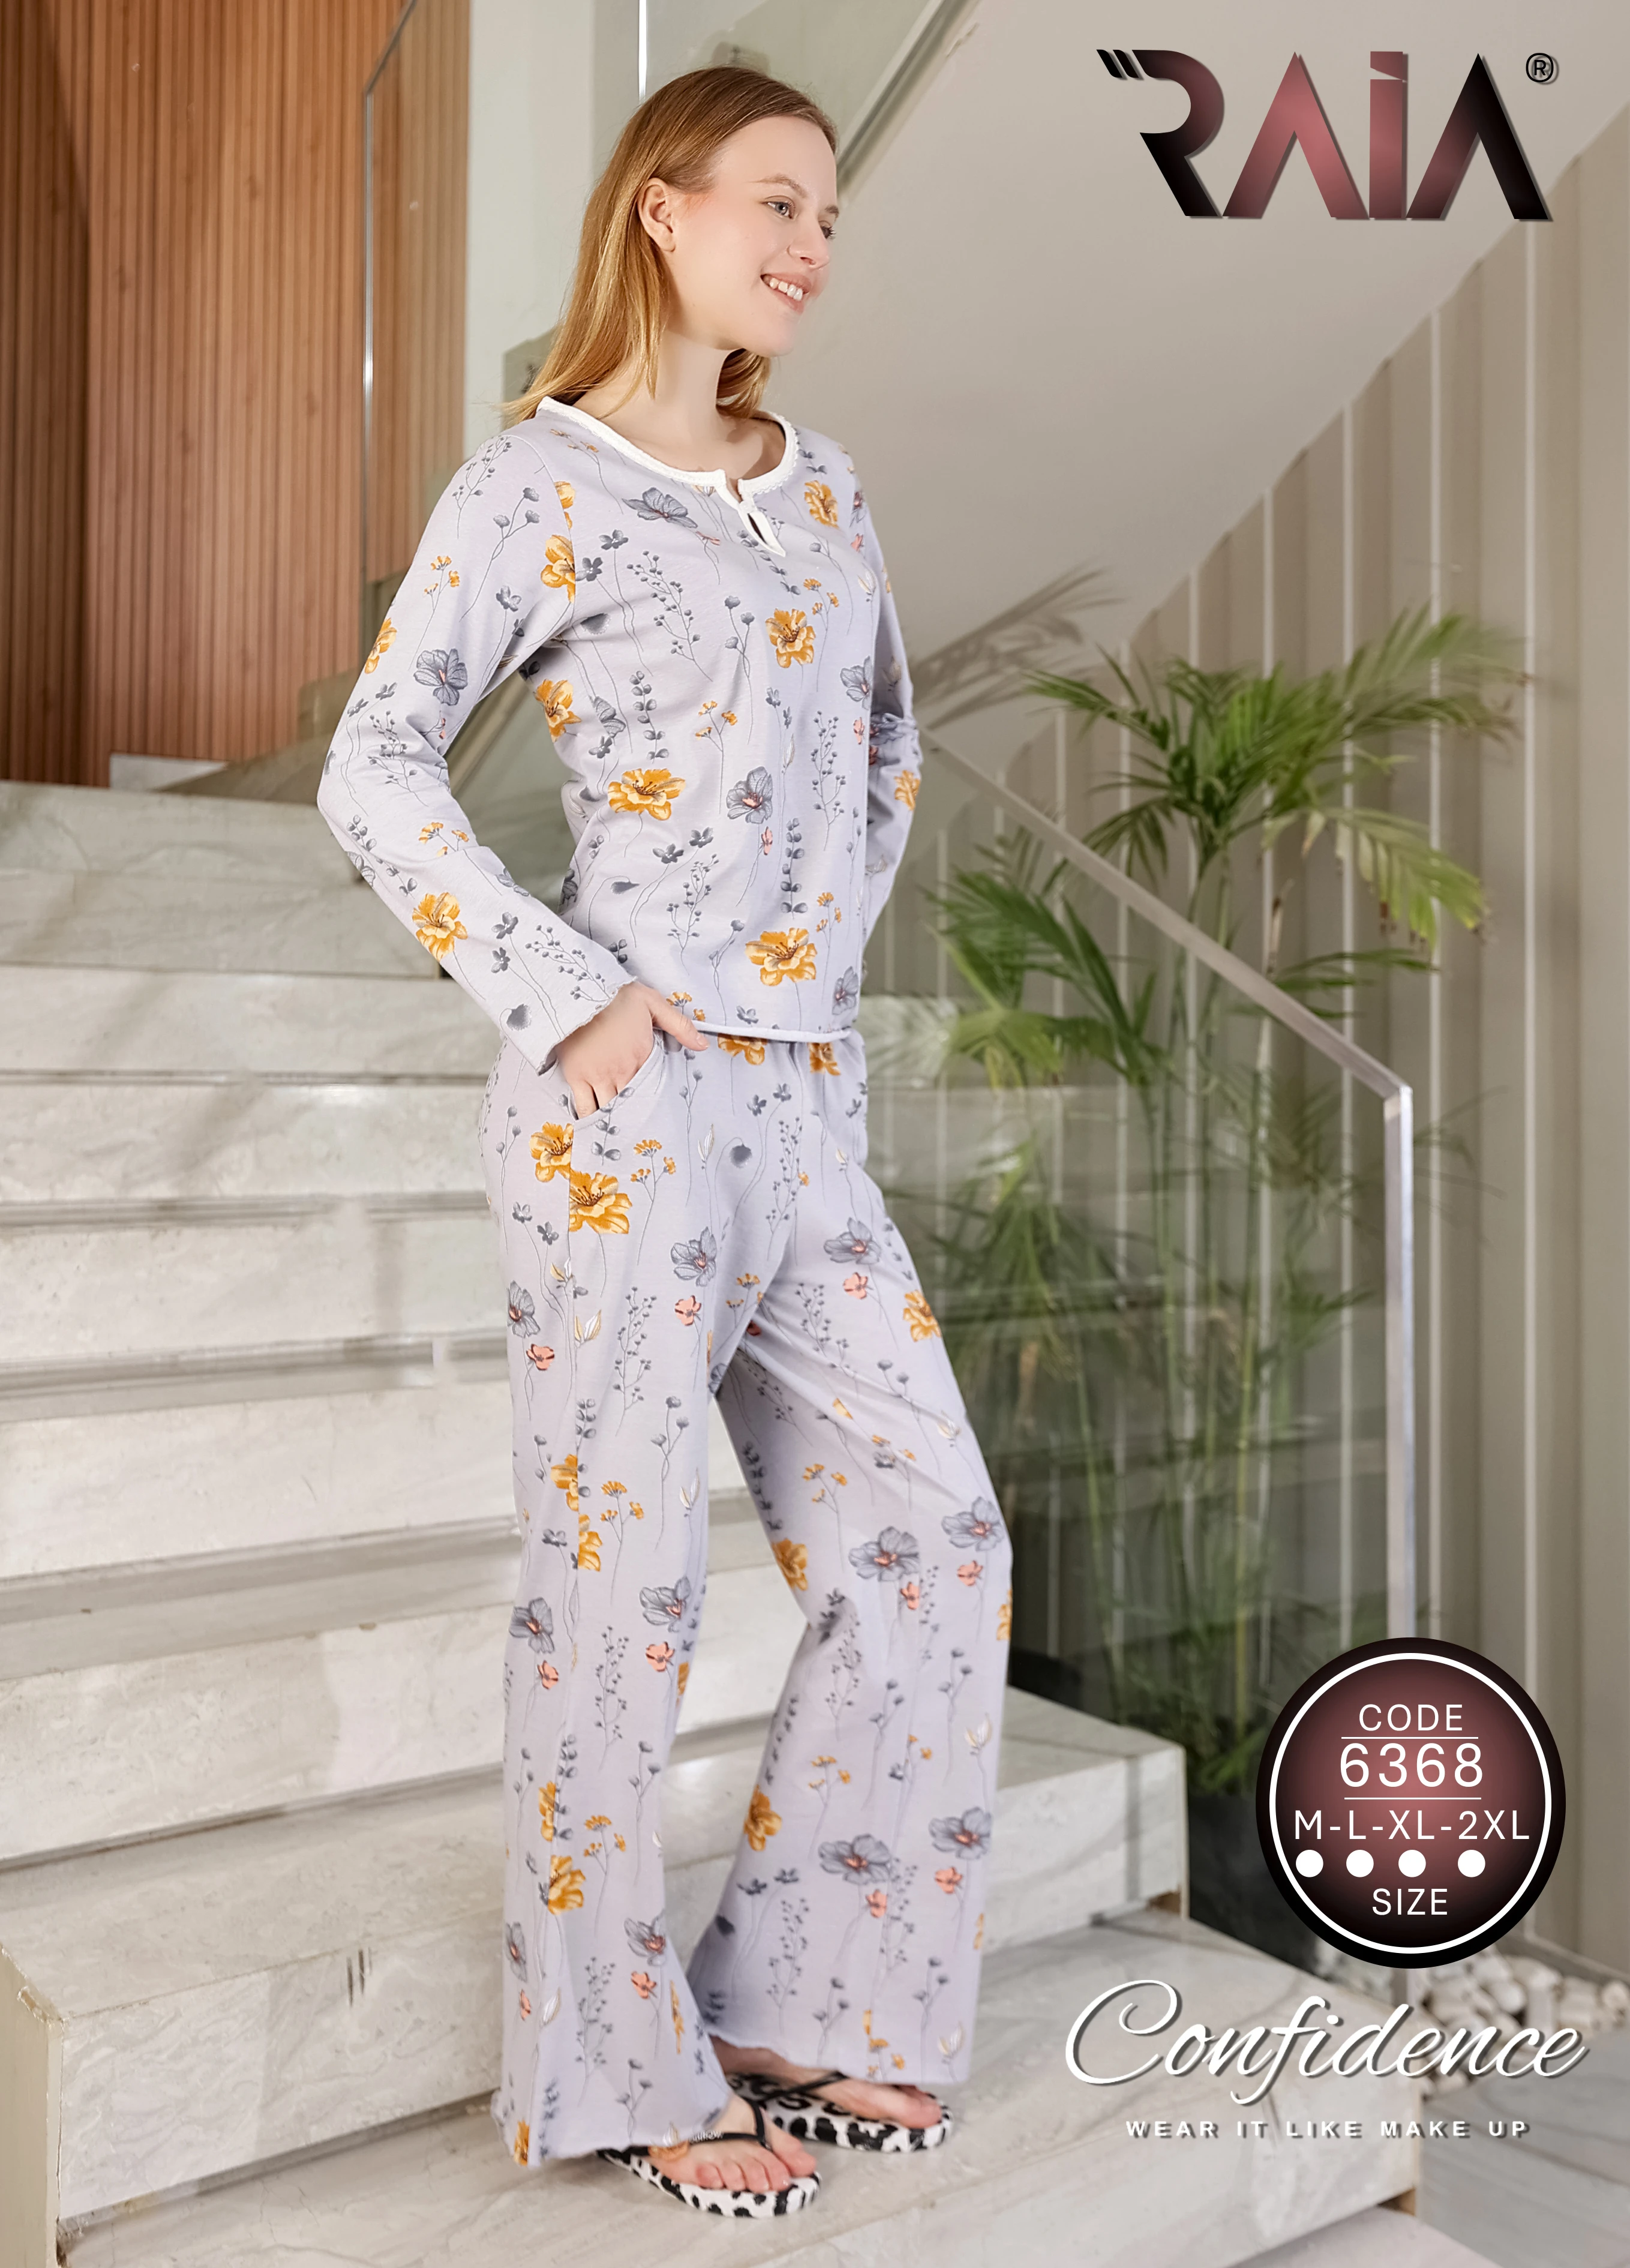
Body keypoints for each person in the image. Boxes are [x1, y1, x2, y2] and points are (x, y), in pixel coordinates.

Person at [318, 62, 1011, 2219]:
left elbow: (887, 752)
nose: (813, 246)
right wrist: (576, 993)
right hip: (619, 1109)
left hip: (804, 1098)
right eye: (778, 202)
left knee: (931, 1535)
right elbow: (373, 762)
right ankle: (613, 2063)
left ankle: (809, 1994)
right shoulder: (535, 481)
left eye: (829, 218)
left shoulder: (825, 486)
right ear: (660, 206)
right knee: (617, 1597)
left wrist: (801, 983)